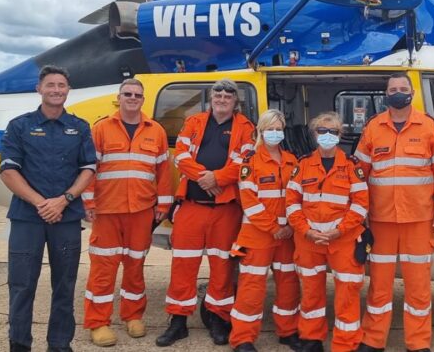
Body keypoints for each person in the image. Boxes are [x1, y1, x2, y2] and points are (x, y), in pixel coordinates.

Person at [355, 73, 434, 352]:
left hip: (419, 220)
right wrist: (358, 212)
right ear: (386, 94)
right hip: (381, 220)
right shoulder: (373, 128)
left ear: (411, 93)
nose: (398, 92)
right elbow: (358, 175)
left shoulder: (428, 127)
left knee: (418, 286)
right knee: (379, 285)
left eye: (403, 88)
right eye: (393, 89)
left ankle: (418, 343)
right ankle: (373, 340)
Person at [0, 65, 96, 352]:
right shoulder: (19, 126)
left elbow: (88, 168)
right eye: (50, 85)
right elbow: (8, 171)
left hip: (66, 220)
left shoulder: (79, 127)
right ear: (39, 89)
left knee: (65, 287)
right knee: (21, 286)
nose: (56, 90)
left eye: (61, 85)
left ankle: (59, 344)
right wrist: (42, 203)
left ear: (68, 90)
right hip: (27, 218)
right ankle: (19, 344)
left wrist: (63, 200)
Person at [157, 78, 256, 347]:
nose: (222, 98)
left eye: (228, 94)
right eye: (218, 93)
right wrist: (205, 178)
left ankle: (218, 320)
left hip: (226, 210)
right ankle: (178, 322)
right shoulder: (194, 122)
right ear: (211, 97)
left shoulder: (246, 127)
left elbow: (244, 161)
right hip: (192, 205)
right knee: (183, 265)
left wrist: (218, 179)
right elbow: (181, 154)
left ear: (236, 101)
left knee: (223, 267)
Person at [82, 79, 172, 347]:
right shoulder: (101, 129)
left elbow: (163, 172)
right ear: (118, 98)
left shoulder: (155, 131)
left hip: (141, 212)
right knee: (103, 269)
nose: (132, 98)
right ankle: (98, 323)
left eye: (137, 95)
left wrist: (163, 205)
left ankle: (133, 316)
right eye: (127, 94)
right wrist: (88, 203)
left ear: (143, 100)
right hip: (108, 211)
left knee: (135, 267)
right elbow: (89, 169)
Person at [286, 112, 370, 352]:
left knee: (347, 293)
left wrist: (339, 230)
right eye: (322, 131)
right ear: (314, 134)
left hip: (343, 240)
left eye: (332, 132)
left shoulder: (353, 166)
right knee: (311, 292)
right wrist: (306, 230)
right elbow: (291, 202)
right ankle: (311, 339)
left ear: (340, 135)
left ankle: (345, 343)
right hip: (308, 240)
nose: (327, 136)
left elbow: (361, 203)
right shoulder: (302, 165)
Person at [228, 109, 302, 352]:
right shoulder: (250, 162)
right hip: (259, 235)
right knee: (251, 286)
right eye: (270, 129)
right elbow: (249, 201)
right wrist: (274, 228)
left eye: (279, 129)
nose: (274, 133)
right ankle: (243, 338)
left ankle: (288, 331)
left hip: (288, 235)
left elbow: (299, 198)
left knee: (289, 283)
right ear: (260, 131)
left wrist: (291, 226)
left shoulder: (292, 161)